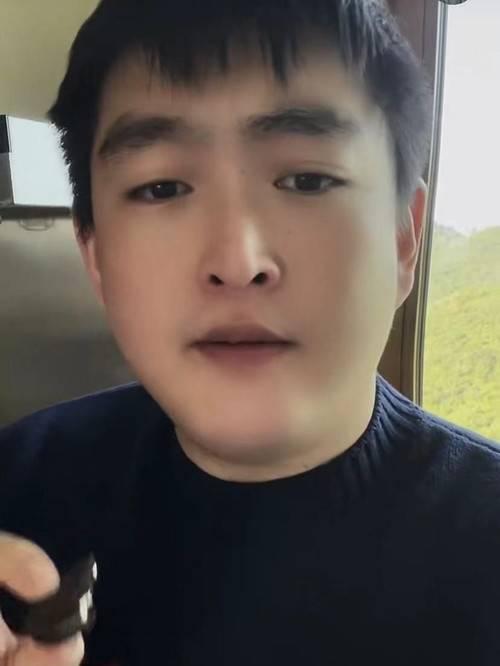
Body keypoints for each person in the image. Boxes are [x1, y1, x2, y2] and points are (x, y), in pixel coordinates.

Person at [1, 0, 499, 664]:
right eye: (161, 188)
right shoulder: (18, 488)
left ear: (403, 240)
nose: (238, 263)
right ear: (94, 255)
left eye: (307, 179)